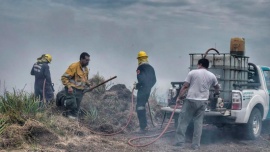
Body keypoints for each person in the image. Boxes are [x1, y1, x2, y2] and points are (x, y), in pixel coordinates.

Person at [174, 58, 220, 150]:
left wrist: (179, 97)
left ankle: (179, 144)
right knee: (198, 124)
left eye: (198, 64)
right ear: (207, 66)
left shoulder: (192, 73)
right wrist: (216, 93)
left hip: (191, 100)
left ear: (200, 64)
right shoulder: (212, 76)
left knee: (183, 122)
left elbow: (185, 86)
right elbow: (217, 87)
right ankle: (195, 145)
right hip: (203, 102)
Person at [61, 52, 91, 119]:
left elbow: (85, 79)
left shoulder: (86, 69)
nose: (88, 62)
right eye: (86, 60)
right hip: (72, 89)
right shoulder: (74, 66)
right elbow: (64, 77)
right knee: (72, 104)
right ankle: (63, 101)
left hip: (80, 90)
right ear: (81, 59)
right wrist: (69, 87)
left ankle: (72, 119)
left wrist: (89, 85)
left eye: (88, 60)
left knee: (77, 107)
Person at [134, 50, 156, 133]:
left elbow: (141, 79)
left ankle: (143, 127)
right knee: (142, 106)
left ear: (139, 59)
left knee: (139, 107)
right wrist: (148, 87)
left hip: (142, 91)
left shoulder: (140, 68)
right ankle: (144, 126)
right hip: (147, 90)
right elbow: (154, 80)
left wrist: (138, 86)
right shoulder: (151, 68)